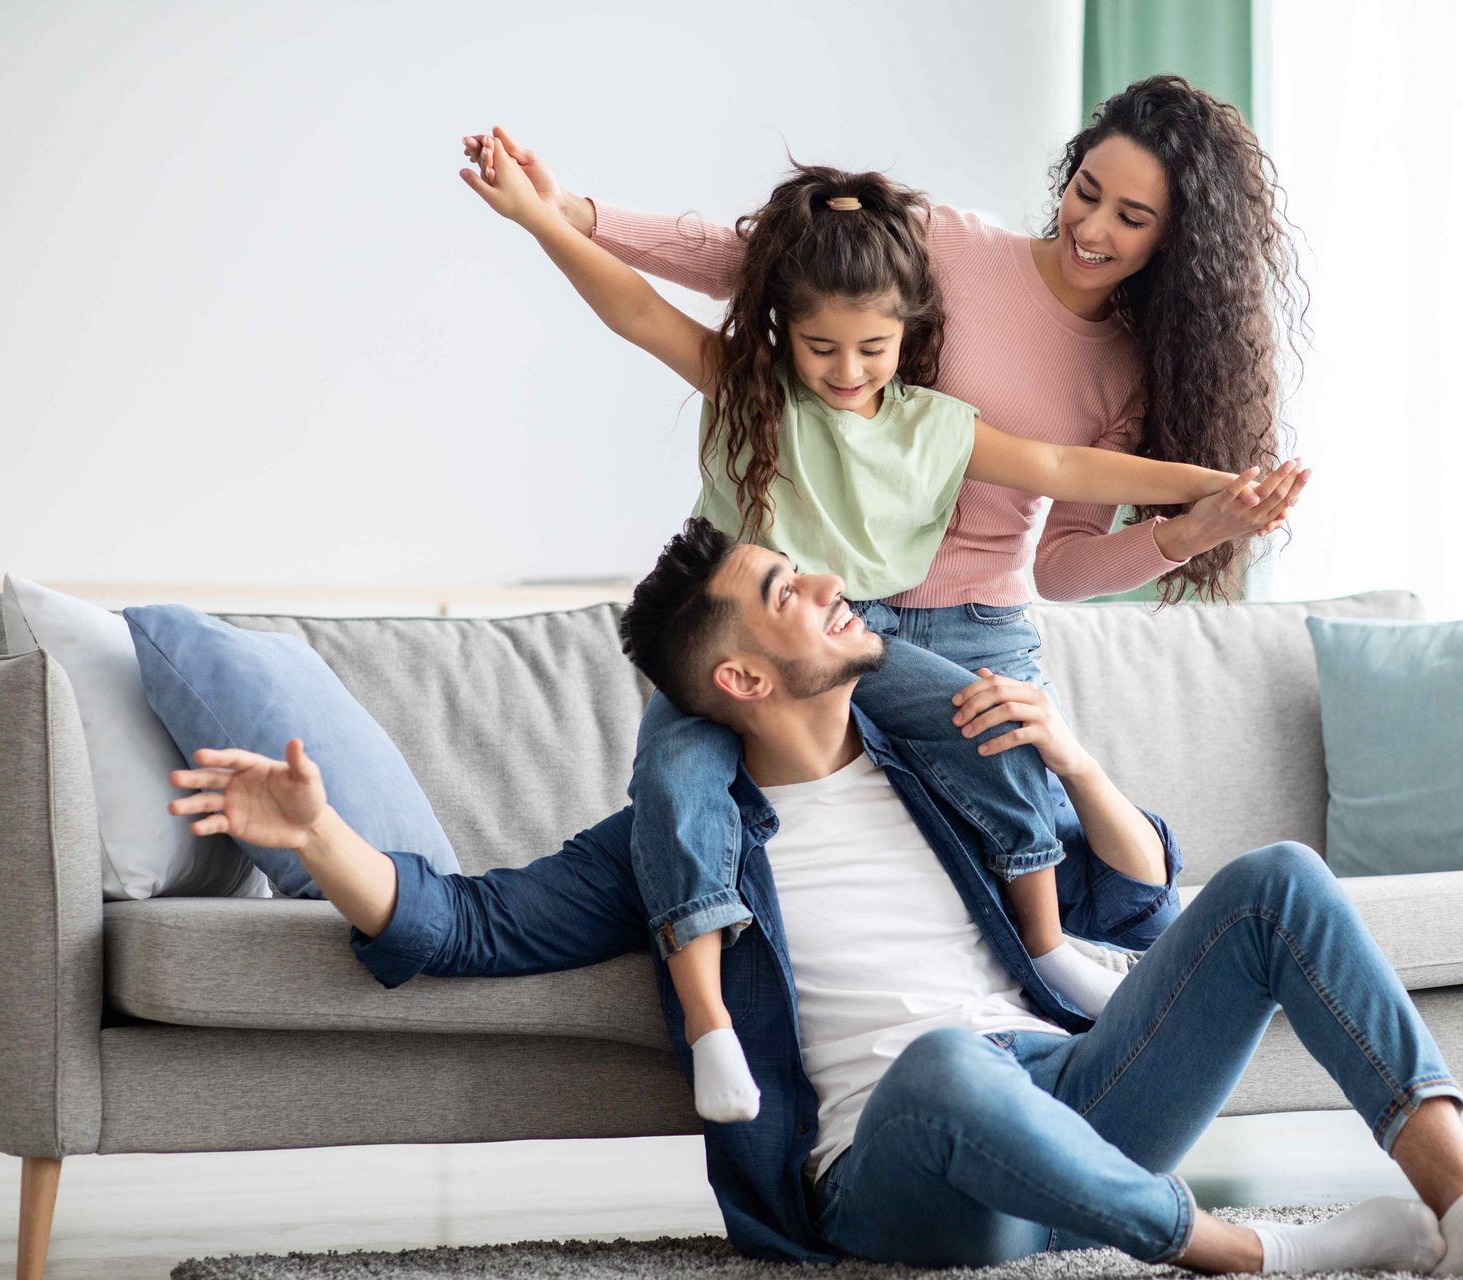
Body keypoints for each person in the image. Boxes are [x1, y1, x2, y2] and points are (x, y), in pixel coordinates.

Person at [166, 519, 1463, 1280]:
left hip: (1066, 1092)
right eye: (788, 592)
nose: (828, 589)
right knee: (945, 1064)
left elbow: (1136, 907)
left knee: (1281, 882)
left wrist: (1066, 748)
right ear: (740, 680)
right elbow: (459, 926)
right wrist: (321, 834)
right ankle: (1251, 1250)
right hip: (894, 1168)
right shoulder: (681, 842)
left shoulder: (939, 769)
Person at [461, 135, 1303, 1124]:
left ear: (910, 336)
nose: (847, 371)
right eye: (822, 348)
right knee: (676, 787)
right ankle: (709, 1025)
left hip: (854, 640)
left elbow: (1071, 474)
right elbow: (642, 307)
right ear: (785, 331)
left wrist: (1213, 487)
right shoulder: (754, 389)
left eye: (872, 349)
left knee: (984, 716)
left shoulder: (935, 424)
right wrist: (546, 215)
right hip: (736, 639)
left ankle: (1044, 945)